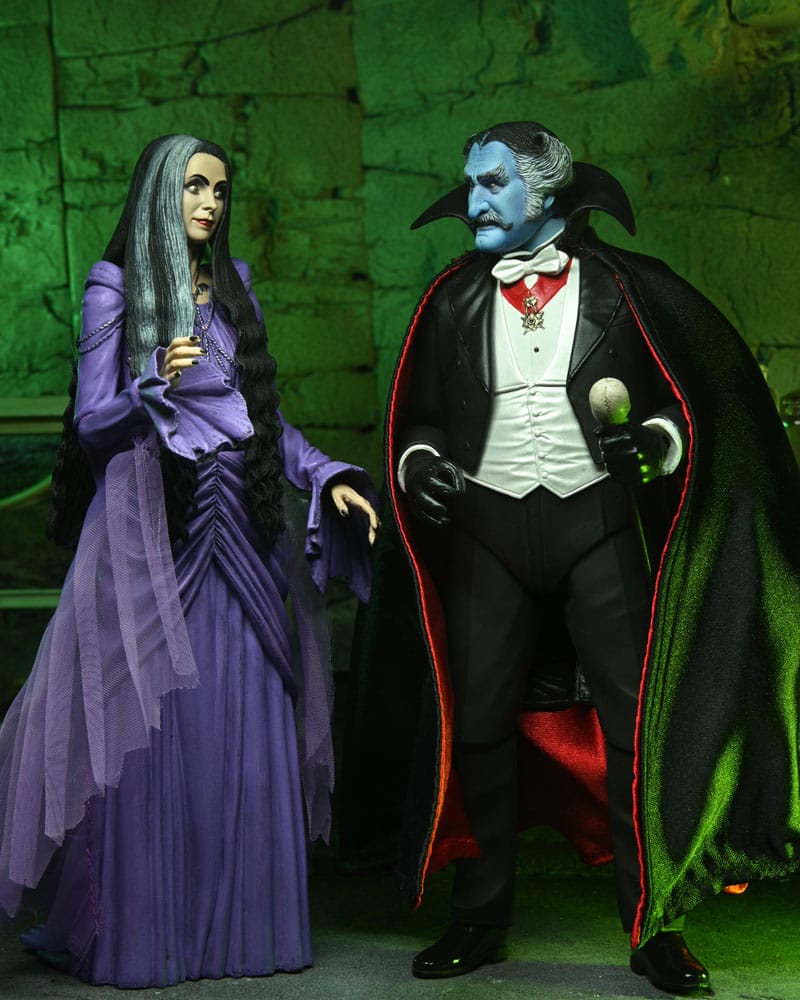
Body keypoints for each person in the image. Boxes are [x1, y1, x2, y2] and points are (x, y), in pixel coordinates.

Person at [374, 121, 800, 995]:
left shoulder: (626, 292)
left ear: (546, 193)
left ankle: (655, 924)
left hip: (597, 528)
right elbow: (418, 417)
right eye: (470, 181)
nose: (472, 200)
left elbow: (690, 402)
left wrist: (657, 446)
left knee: (636, 722)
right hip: (487, 533)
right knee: (478, 719)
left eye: (492, 182)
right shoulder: (451, 301)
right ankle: (479, 914)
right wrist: (418, 466)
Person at [0, 133, 378, 988]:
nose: (209, 202)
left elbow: (261, 416)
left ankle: (248, 935)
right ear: (157, 193)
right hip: (153, 534)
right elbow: (91, 422)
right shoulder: (116, 288)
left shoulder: (233, 284)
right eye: (193, 186)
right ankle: (150, 938)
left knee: (244, 721)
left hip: (242, 531)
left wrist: (327, 473)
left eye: (220, 189)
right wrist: (151, 391)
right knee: (147, 730)